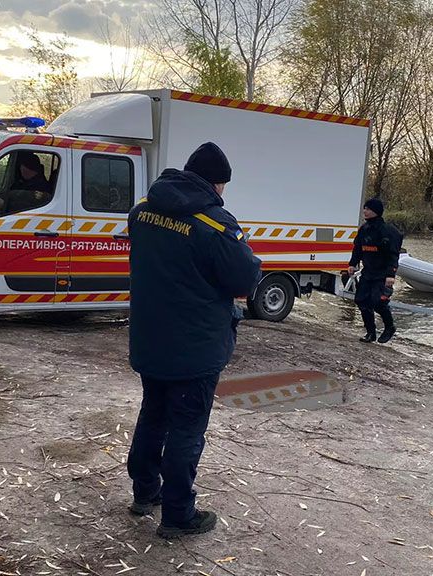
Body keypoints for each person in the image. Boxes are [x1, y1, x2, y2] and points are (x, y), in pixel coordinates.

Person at [125, 142, 262, 538]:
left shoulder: (142, 212)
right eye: (224, 186)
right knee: (186, 428)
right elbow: (244, 278)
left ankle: (145, 492)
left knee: (153, 416)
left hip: (150, 340)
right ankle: (178, 515)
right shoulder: (216, 224)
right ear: (216, 184)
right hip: (195, 346)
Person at [348, 197, 403, 344]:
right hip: (368, 272)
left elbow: (393, 254)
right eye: (364, 208)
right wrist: (352, 264)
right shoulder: (364, 230)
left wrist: (391, 274)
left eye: (368, 209)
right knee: (361, 301)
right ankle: (370, 333)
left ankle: (390, 327)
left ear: (376, 212)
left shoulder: (387, 231)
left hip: (382, 273)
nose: (364, 211)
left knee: (378, 302)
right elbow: (357, 249)